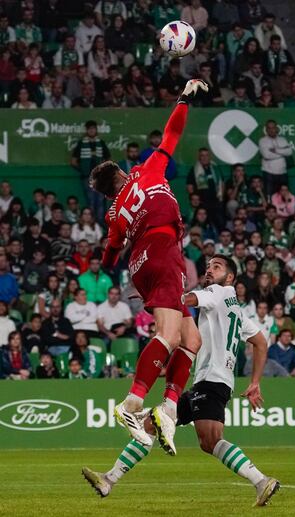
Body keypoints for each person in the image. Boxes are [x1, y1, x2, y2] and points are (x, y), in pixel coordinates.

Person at [83, 254, 280, 506]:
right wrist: (255, 382)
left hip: (212, 381)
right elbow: (261, 342)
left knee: (210, 440)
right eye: (208, 266)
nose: (209, 270)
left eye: (216, 267)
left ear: (230, 277)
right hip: (213, 382)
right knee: (153, 426)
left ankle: (262, 481)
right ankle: (108, 480)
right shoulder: (237, 311)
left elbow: (184, 300)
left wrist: (152, 296)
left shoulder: (217, 293)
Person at [87, 79, 206, 452]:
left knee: (192, 340)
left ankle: (167, 410)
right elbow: (172, 133)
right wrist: (184, 97)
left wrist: (115, 234)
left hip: (143, 262)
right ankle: (132, 403)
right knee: (170, 336)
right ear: (121, 174)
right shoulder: (146, 170)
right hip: (162, 246)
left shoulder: (114, 214)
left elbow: (108, 257)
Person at [71, 121, 111, 222]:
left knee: (101, 201)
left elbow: (109, 159)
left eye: (93, 128)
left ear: (96, 130)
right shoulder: (81, 143)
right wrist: (83, 170)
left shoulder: (101, 143)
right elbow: (73, 161)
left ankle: (101, 225)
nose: (92, 130)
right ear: (87, 130)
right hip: (87, 178)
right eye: (90, 129)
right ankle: (92, 223)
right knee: (91, 201)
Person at [259, 119, 292, 196]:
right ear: (266, 130)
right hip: (269, 173)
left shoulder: (282, 140)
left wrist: (276, 150)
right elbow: (267, 155)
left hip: (283, 173)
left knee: (284, 196)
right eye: (269, 128)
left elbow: (289, 152)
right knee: (270, 196)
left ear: (276, 128)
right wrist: (282, 152)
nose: (271, 130)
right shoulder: (263, 141)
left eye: (273, 127)